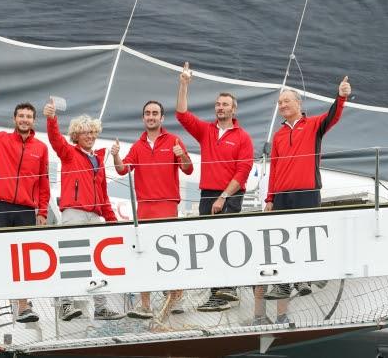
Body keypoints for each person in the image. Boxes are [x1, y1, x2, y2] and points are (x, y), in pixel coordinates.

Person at [255, 77, 351, 325]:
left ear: (298, 103)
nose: (282, 105)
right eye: (280, 102)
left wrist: (340, 96)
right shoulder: (277, 136)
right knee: (282, 241)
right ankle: (285, 284)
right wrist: (270, 198)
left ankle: (307, 277)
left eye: (286, 101)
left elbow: (334, 117)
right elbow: (274, 168)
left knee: (306, 237)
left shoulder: (313, 124)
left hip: (307, 191)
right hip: (282, 197)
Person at [176, 62, 254, 312]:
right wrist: (184, 84)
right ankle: (217, 295)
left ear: (234, 109)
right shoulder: (206, 131)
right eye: (218, 104)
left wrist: (223, 197)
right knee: (209, 244)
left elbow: (243, 172)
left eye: (225, 105)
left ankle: (229, 289)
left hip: (229, 195)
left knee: (226, 242)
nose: (220, 108)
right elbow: (181, 114)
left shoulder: (243, 137)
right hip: (207, 194)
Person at [0, 85, 49, 324]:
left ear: (34, 121)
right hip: (0, 207)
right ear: (14, 119)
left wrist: (43, 210)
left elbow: (44, 183)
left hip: (25, 210)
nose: (24, 120)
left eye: (28, 117)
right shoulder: (0, 139)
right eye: (21, 116)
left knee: (24, 258)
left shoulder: (41, 148)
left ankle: (23, 307)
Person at [44, 99, 125, 321]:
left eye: (92, 132)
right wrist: (52, 118)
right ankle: (65, 304)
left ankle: (101, 308)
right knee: (72, 260)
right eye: (85, 133)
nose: (90, 136)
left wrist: (112, 221)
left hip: (95, 216)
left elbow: (104, 195)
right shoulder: (68, 153)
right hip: (74, 213)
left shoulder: (98, 159)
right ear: (76, 136)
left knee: (98, 262)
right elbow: (55, 139)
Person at [111, 100, 193, 319]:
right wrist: (115, 154)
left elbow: (188, 168)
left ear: (162, 118)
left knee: (170, 253)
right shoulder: (137, 146)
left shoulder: (175, 140)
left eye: (155, 113)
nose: (151, 116)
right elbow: (122, 170)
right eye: (147, 113)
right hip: (145, 207)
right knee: (143, 255)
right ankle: (145, 305)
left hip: (167, 204)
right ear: (143, 118)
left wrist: (181, 154)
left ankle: (177, 298)